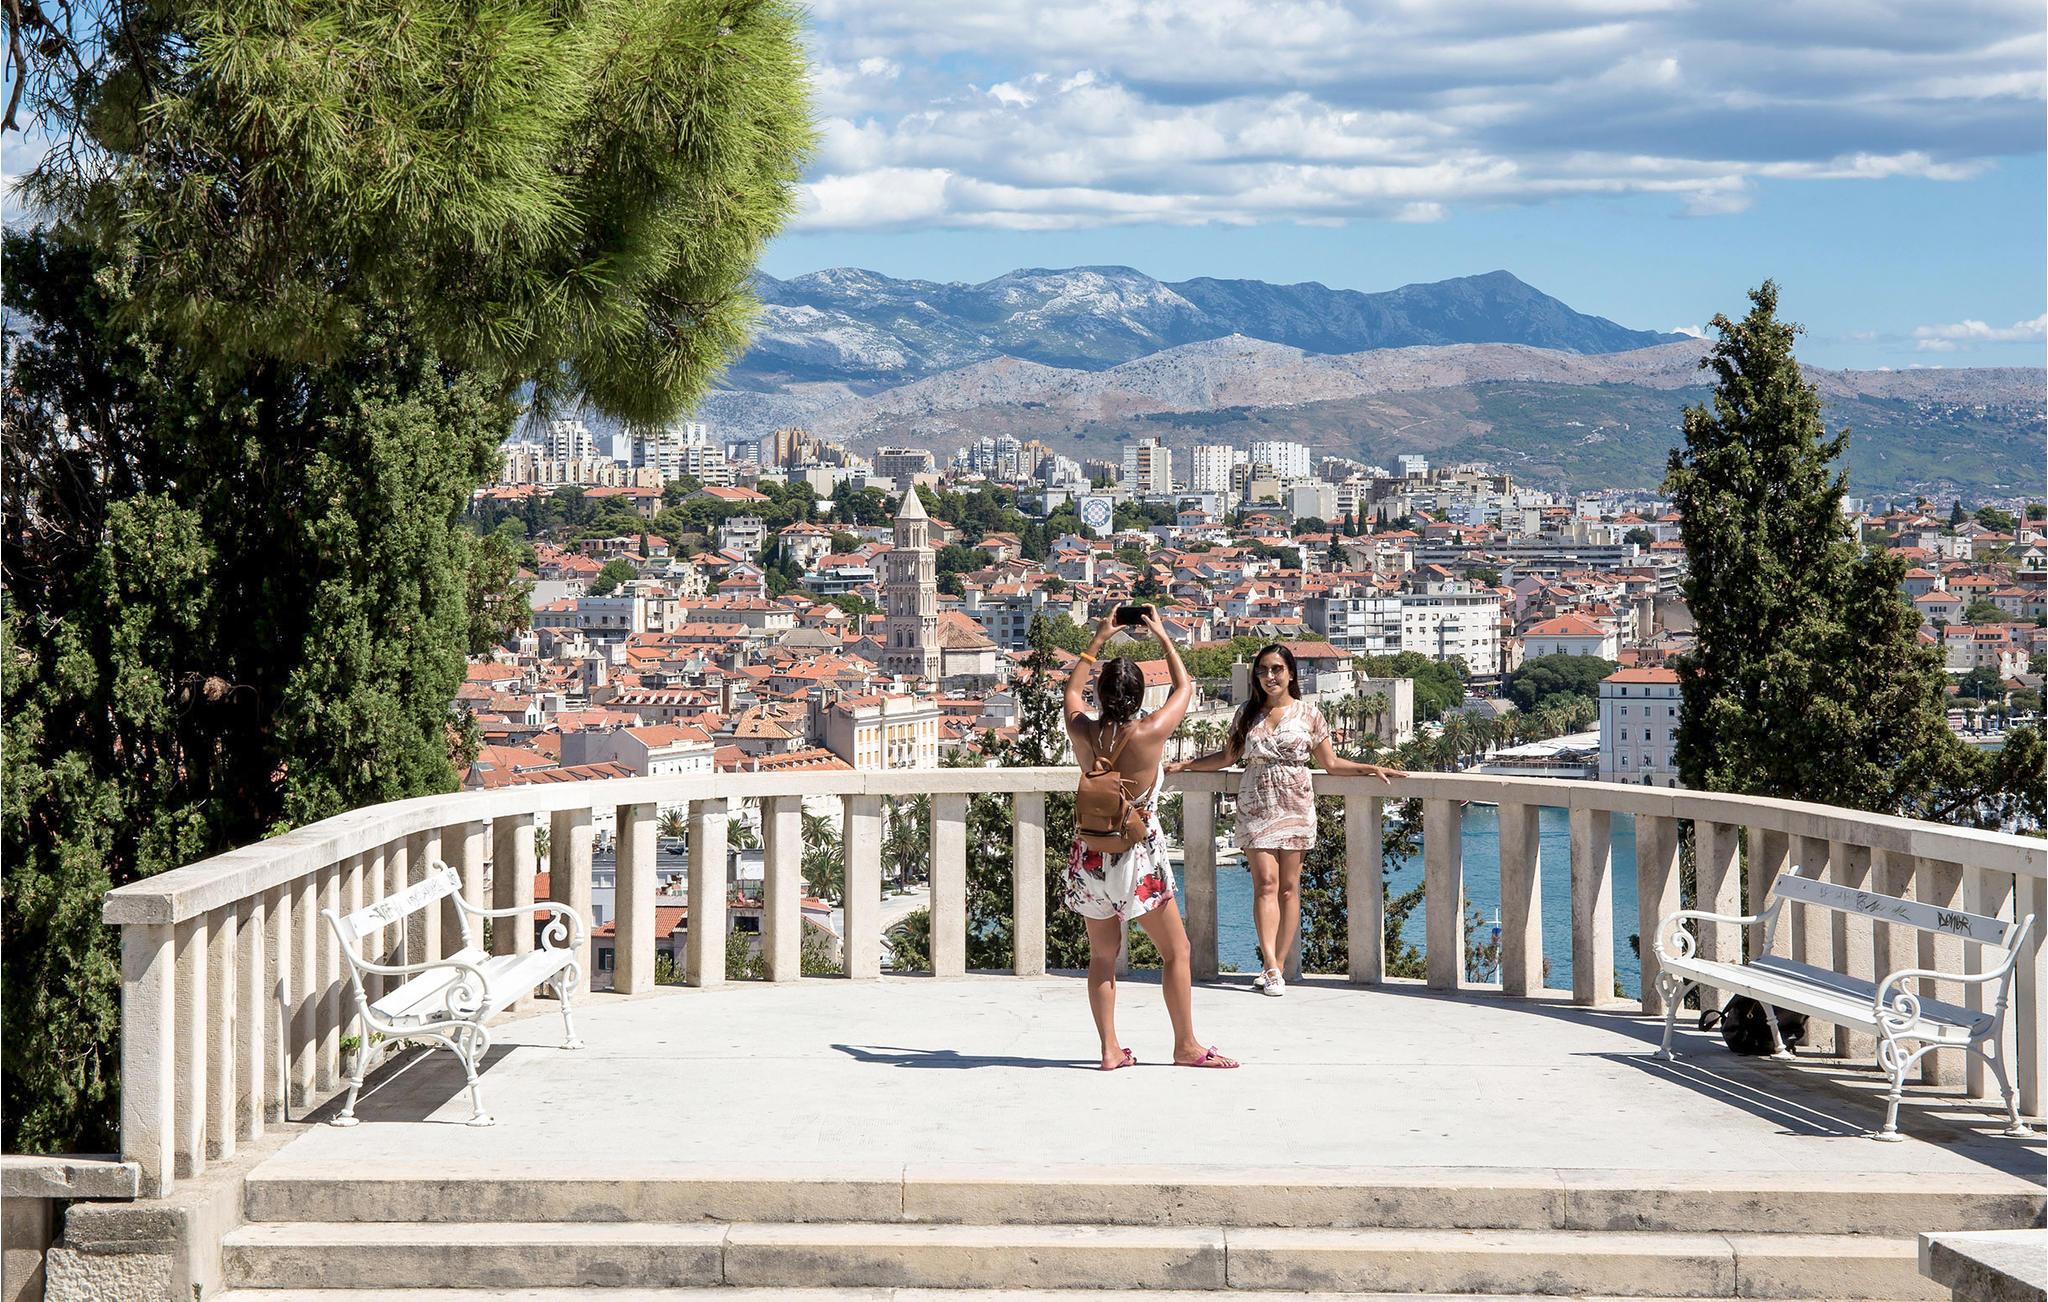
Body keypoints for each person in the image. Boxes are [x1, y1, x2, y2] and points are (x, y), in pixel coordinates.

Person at [1168, 643, 1402, 996]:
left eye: (1276, 669)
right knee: (1265, 883)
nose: (1269, 676)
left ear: (1291, 673)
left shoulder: (1310, 714)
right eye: (1262, 670)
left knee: (1290, 887)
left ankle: (1275, 965)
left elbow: (1331, 764)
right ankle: (1271, 966)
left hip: (1295, 803)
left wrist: (1370, 768)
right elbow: (1227, 757)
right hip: (1256, 803)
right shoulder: (1247, 713)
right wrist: (1186, 765)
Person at [1063, 607, 1237, 1071]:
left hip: (1091, 856)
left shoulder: (1082, 730)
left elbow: (1070, 693)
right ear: (1139, 695)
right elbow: (1184, 688)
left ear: (1100, 693)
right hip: (1137, 858)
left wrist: (1099, 638)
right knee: (1176, 951)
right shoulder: (1150, 732)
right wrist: (1162, 634)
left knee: (1102, 957)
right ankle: (1186, 1045)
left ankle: (1109, 1049)